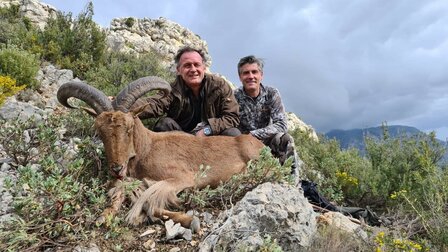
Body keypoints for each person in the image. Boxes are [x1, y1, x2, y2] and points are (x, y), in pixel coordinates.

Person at [134, 46, 241, 137]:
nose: (193, 69)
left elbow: (232, 117)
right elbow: (155, 104)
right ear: (178, 70)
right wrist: (122, 107)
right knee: (164, 124)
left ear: (203, 67)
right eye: (187, 65)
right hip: (182, 139)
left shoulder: (219, 86)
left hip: (211, 138)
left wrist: (208, 130)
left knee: (233, 133)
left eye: (197, 65)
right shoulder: (173, 89)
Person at [235, 55, 298, 174]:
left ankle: (292, 182)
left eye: (254, 72)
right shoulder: (234, 97)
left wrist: (253, 134)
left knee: (285, 139)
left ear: (261, 75)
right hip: (244, 146)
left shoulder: (271, 94)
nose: (251, 76)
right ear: (240, 77)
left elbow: (282, 124)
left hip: (267, 142)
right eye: (246, 73)